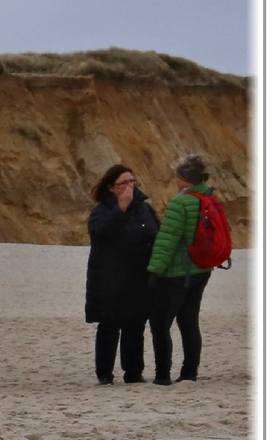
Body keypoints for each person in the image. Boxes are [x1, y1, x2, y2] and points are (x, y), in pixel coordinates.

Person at [85, 164, 160, 384]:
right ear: (111, 188)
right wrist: (121, 209)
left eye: (132, 181)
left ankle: (134, 373)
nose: (130, 186)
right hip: (110, 278)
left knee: (135, 326)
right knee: (109, 326)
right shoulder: (102, 211)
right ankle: (105, 374)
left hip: (139, 277)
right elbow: (100, 232)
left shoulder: (144, 208)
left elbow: (156, 233)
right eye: (124, 183)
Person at [146, 153, 217, 384]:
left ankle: (162, 376)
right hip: (201, 270)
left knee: (160, 324)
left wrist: (154, 271)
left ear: (185, 179)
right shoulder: (207, 197)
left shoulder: (180, 202)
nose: (175, 180)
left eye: (177, 177)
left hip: (177, 273)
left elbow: (167, 241)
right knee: (189, 322)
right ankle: (189, 373)